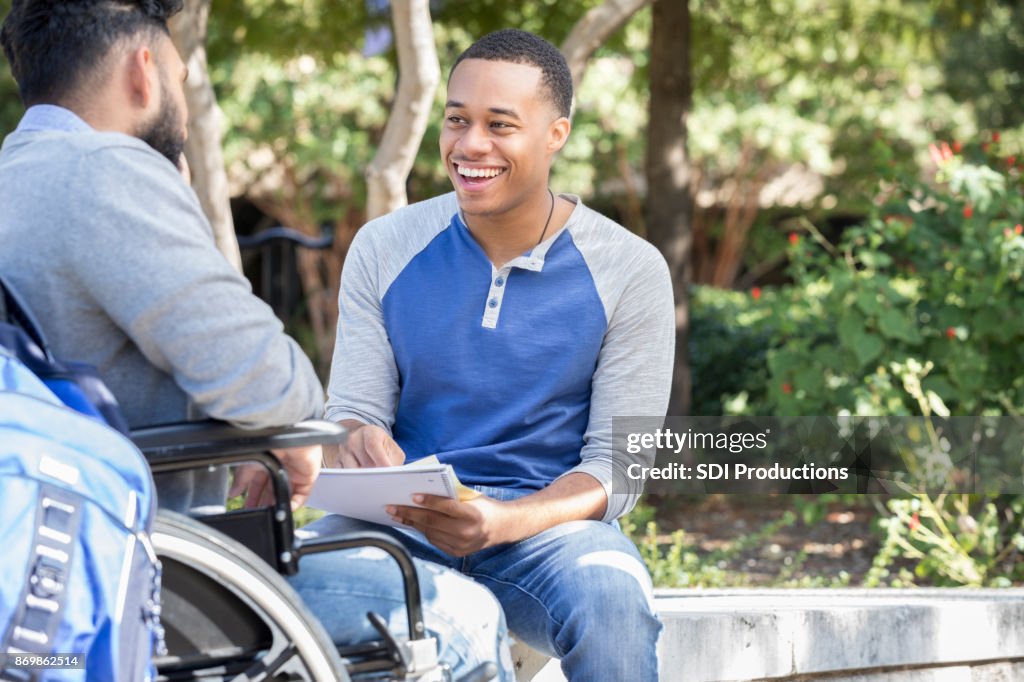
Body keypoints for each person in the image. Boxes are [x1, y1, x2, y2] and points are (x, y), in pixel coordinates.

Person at [0, 1, 512, 678]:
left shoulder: (15, 172)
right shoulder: (105, 173)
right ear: (144, 74)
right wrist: (281, 433)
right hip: (162, 573)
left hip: (47, 563)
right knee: (463, 621)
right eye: (181, 81)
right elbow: (272, 385)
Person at [321, 28, 675, 681]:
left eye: (500, 125)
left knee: (613, 596)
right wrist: (357, 438)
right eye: (458, 120)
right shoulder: (383, 248)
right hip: (403, 528)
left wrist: (503, 520)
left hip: (543, 538)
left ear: (555, 135)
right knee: (273, 586)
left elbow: (616, 471)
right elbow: (351, 410)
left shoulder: (629, 270)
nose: (470, 144)